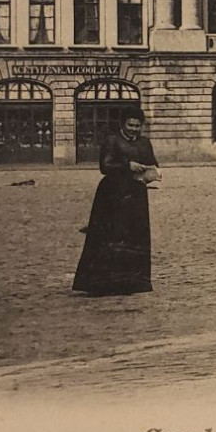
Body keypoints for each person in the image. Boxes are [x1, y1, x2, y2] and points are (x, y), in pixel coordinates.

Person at [73, 106, 160, 296]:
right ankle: (103, 282)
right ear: (122, 125)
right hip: (112, 195)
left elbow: (152, 163)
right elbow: (105, 166)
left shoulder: (145, 143)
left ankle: (134, 281)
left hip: (136, 194)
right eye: (130, 125)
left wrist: (153, 173)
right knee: (109, 236)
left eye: (137, 126)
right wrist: (128, 165)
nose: (134, 129)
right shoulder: (112, 141)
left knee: (135, 236)